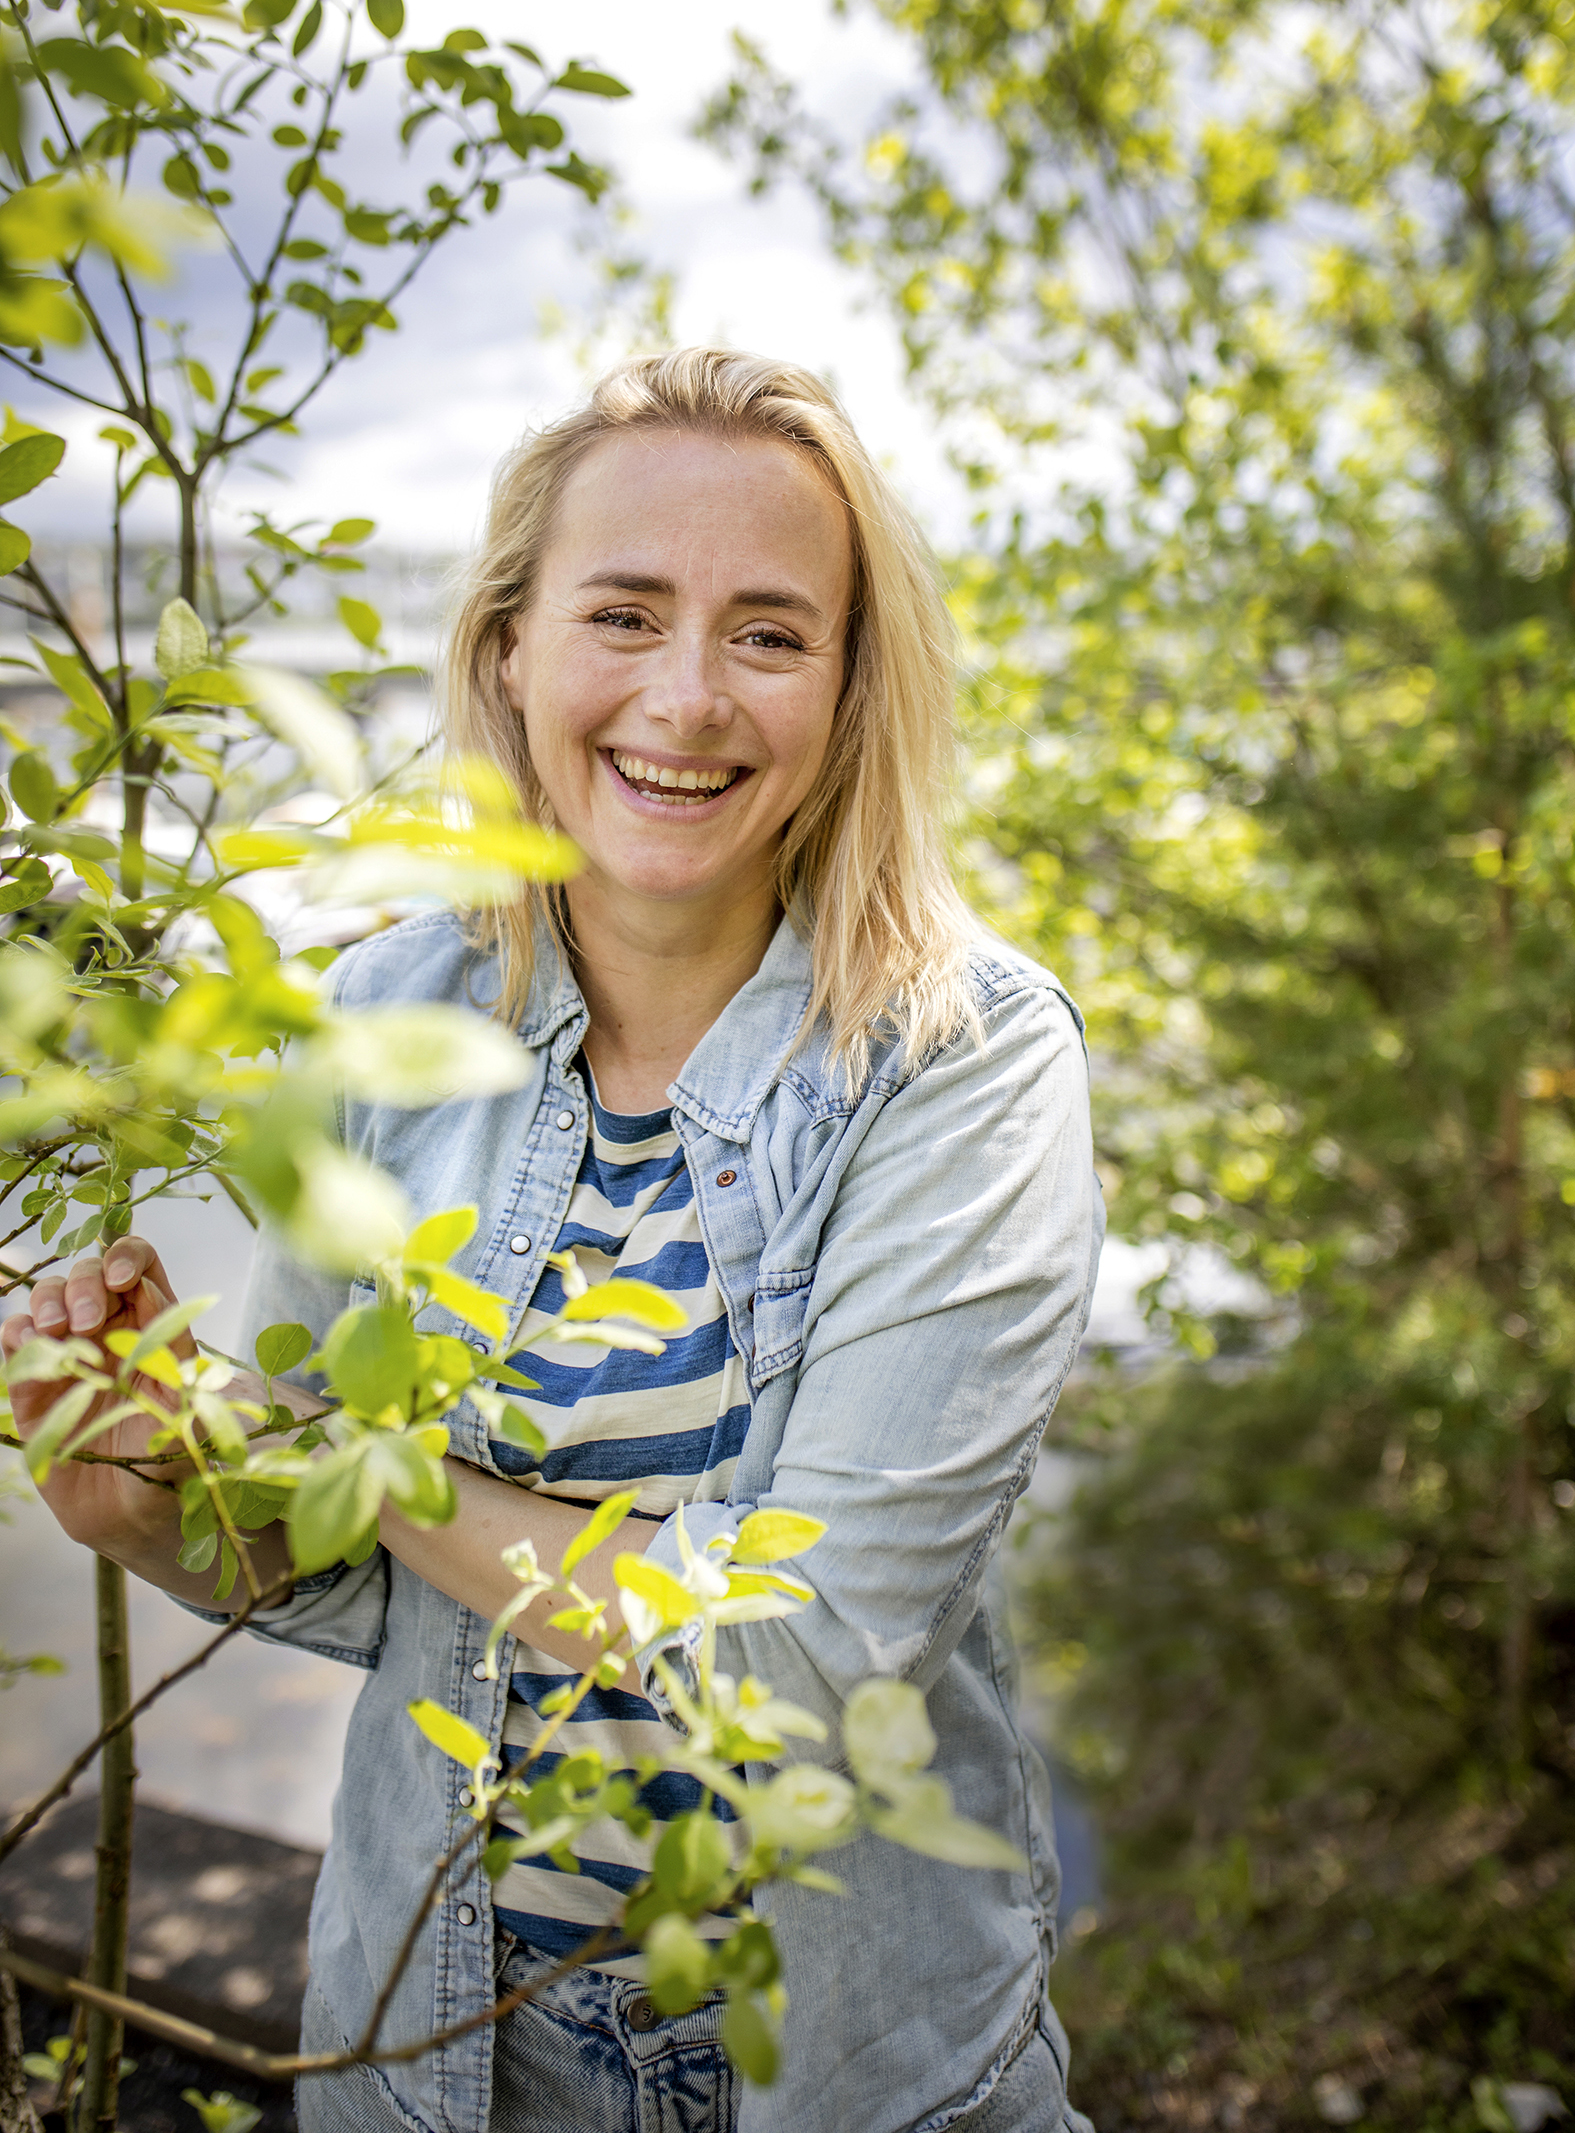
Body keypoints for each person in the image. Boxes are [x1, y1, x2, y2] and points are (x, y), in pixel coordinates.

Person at [3, 350, 1104, 2133]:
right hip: (434, 2061)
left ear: (846, 682)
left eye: (767, 631)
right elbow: (333, 1570)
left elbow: (802, 1657)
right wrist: (147, 1483)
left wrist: (353, 1454)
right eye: (624, 613)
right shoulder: (386, 1016)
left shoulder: (960, 1062)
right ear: (509, 647)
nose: (686, 697)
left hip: (849, 2074)